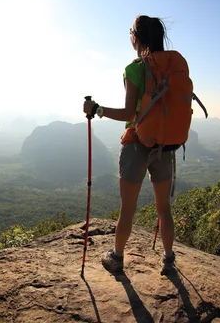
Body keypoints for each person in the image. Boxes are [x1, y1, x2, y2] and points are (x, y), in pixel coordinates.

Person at [83, 15, 176, 275]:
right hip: (166, 145)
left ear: (136, 37)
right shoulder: (172, 67)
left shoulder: (135, 69)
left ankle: (117, 257)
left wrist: (97, 109)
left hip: (137, 143)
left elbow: (129, 113)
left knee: (128, 209)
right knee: (164, 209)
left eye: (130, 33)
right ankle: (169, 260)